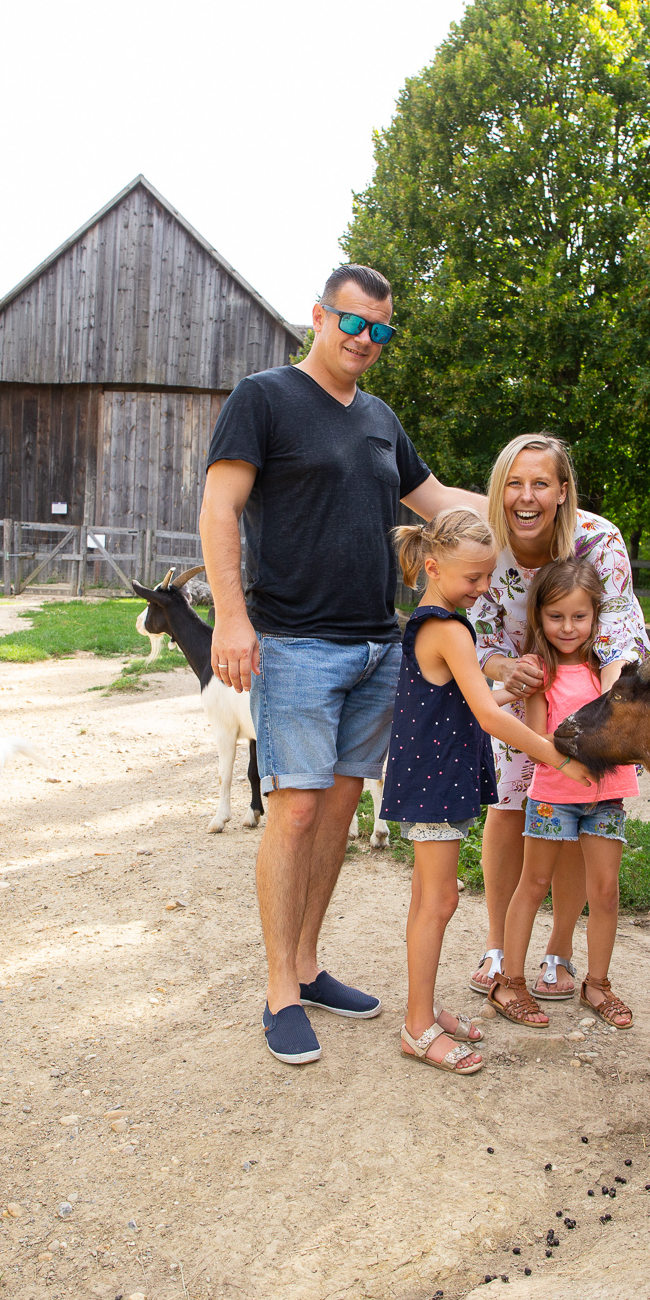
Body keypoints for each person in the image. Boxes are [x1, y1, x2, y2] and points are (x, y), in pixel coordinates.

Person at [201, 263, 488, 1066]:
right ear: (319, 316)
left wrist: (545, 507)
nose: (365, 340)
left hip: (376, 645)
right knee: (291, 810)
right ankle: (278, 992)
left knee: (335, 811)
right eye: (352, 323)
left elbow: (441, 506)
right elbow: (220, 507)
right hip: (293, 642)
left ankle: (307, 961)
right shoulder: (262, 398)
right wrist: (231, 614)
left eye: (382, 330)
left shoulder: (379, 419)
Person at [381, 509, 595, 1073]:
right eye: (473, 579)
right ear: (432, 566)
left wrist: (512, 686)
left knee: (426, 898)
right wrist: (555, 754)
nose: (483, 589)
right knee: (442, 899)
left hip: (431, 773)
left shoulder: (440, 621)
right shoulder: (447, 628)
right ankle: (417, 1028)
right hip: (433, 781)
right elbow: (485, 713)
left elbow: (468, 700)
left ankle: (420, 1009)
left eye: (486, 577)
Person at [466, 435, 649, 1003]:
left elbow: (618, 633)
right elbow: (475, 633)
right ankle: (498, 948)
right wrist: (505, 669)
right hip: (518, 689)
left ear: (562, 491)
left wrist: (604, 724)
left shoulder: (600, 541)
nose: (527, 497)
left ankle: (560, 951)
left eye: (540, 483)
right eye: (514, 484)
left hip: (589, 693)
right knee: (506, 806)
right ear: (499, 491)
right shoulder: (482, 546)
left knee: (574, 821)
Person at [486, 559, 639, 1031]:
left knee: (606, 892)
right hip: (553, 794)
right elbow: (535, 735)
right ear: (539, 618)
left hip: (607, 794)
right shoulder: (536, 668)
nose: (568, 627)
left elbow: (625, 722)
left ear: (595, 616)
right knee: (533, 884)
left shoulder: (610, 666)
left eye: (579, 616)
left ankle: (598, 983)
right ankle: (509, 982)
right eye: (556, 617)